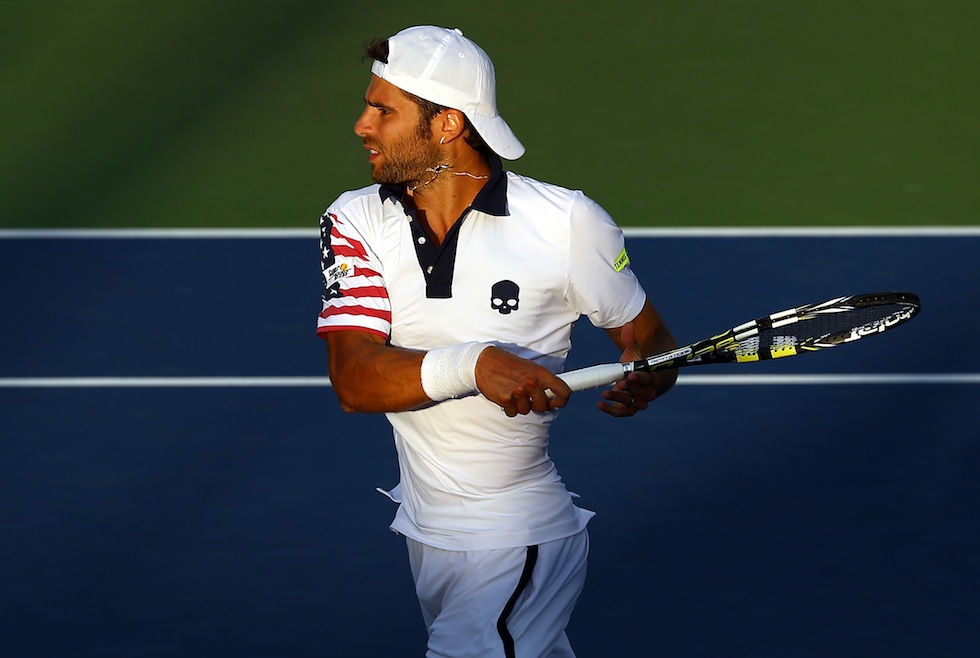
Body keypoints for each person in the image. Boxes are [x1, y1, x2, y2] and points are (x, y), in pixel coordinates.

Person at [316, 25, 677, 658]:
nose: (361, 126)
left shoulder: (566, 224)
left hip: (519, 538)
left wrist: (647, 374)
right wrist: (476, 364)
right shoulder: (355, 219)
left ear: (448, 124)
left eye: (383, 111)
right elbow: (355, 378)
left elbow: (647, 341)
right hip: (428, 536)